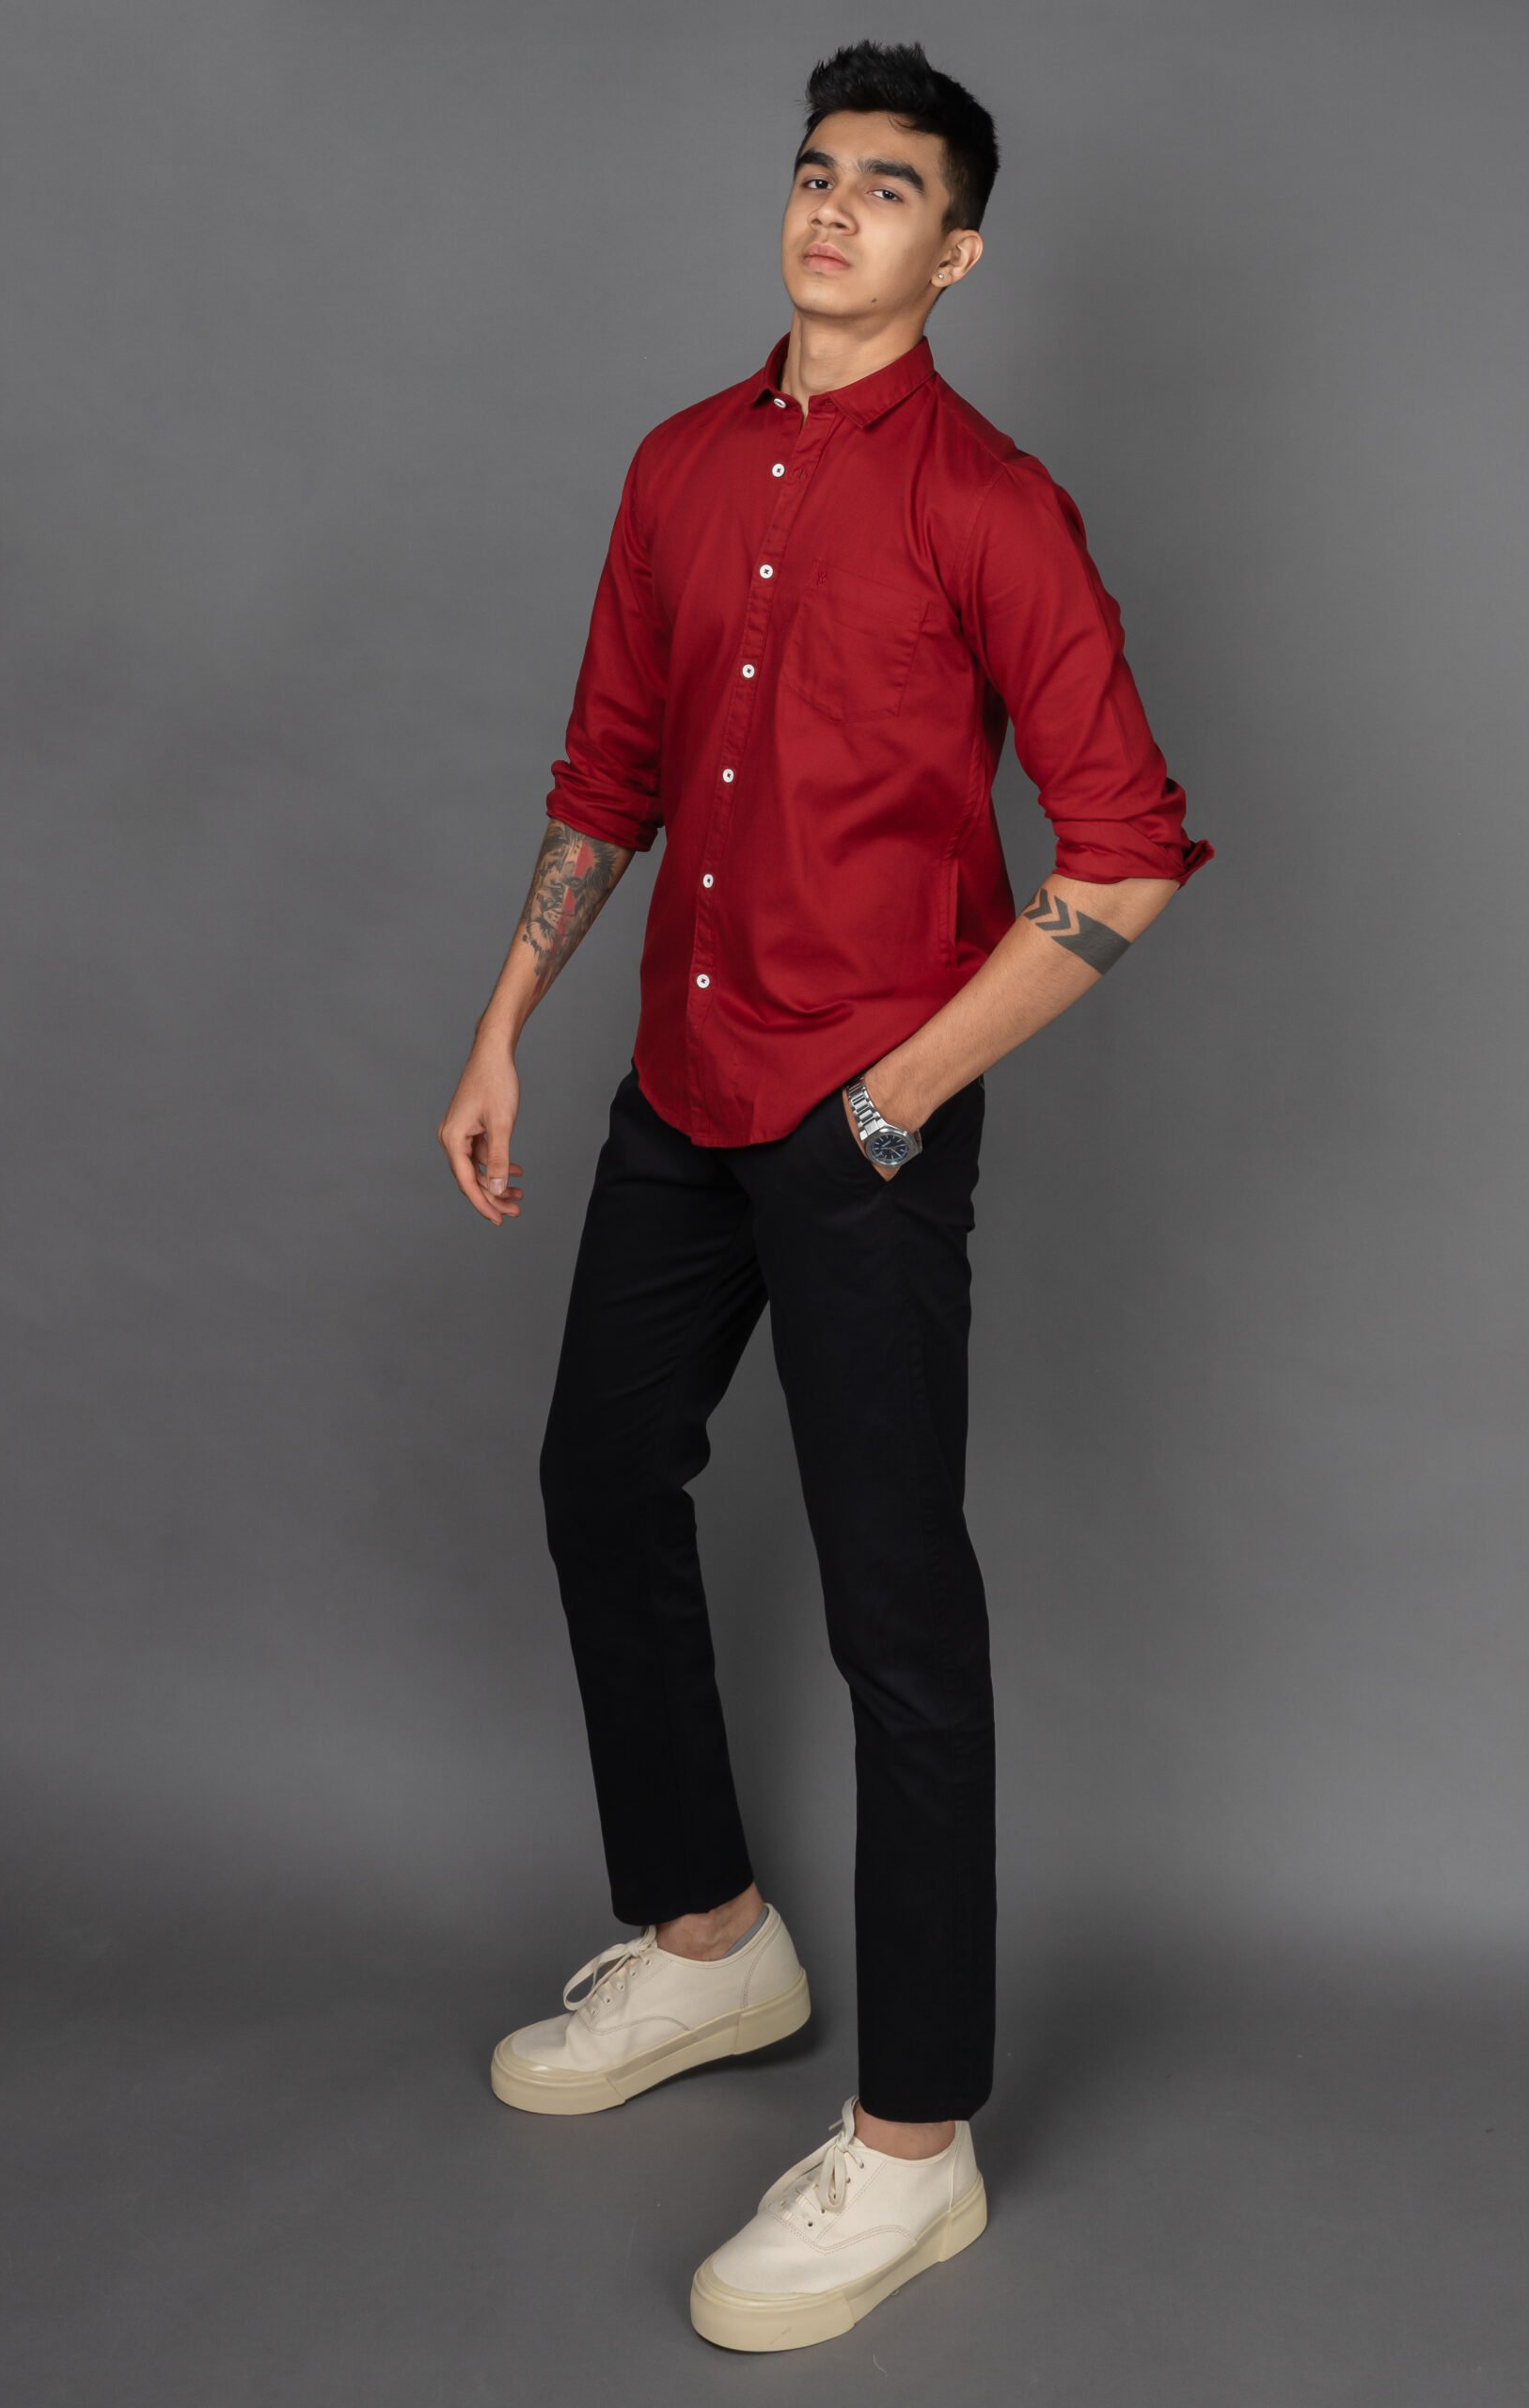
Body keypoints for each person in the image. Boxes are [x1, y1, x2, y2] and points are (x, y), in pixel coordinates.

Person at [434, 36, 1213, 2353]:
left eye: (885, 187)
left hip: (859, 1111)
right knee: (597, 1478)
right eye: (813, 170)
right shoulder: (677, 466)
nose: (831, 206)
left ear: (954, 253)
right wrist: (501, 1022)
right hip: (677, 1081)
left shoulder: (992, 505)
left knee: (896, 1614)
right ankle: (709, 1938)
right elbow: (610, 769)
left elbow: (1125, 850)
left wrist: (899, 1094)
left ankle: (911, 2135)